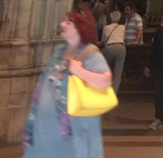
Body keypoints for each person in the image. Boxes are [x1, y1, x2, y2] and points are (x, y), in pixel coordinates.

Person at [23, 9, 112, 157]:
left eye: (68, 22)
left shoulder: (90, 53)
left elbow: (105, 81)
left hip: (71, 135)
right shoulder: (60, 50)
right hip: (45, 130)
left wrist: (80, 71)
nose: (62, 24)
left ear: (80, 28)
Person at [101, 10, 126, 93]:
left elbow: (103, 40)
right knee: (118, 73)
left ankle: (105, 90)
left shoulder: (106, 28)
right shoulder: (123, 27)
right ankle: (114, 93)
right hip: (121, 47)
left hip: (109, 47)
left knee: (107, 70)